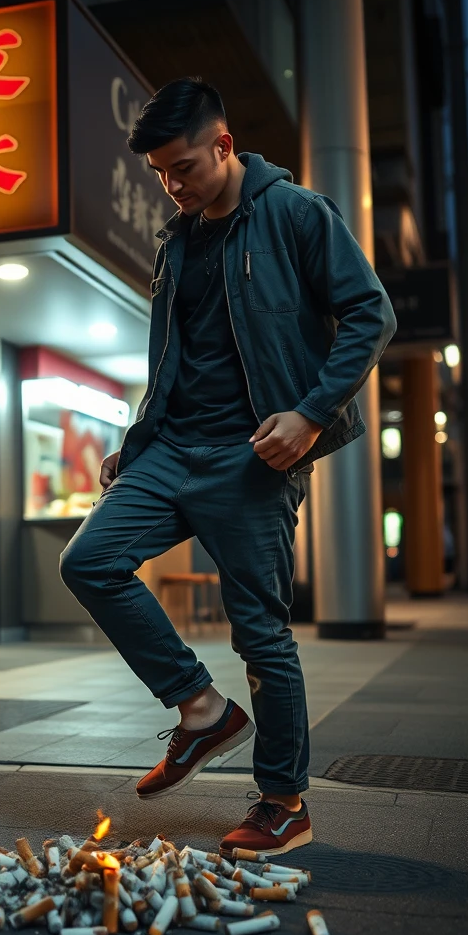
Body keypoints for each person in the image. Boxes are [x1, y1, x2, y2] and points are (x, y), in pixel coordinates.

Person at [60, 78, 396, 855]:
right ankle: (201, 709)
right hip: (170, 447)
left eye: (184, 167)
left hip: (252, 455)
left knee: (261, 636)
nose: (173, 186)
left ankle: (283, 801)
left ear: (223, 144)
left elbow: (370, 314)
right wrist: (140, 437)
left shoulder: (295, 213)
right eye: (160, 175)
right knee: (92, 561)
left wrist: (311, 414)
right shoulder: (176, 242)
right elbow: (180, 356)